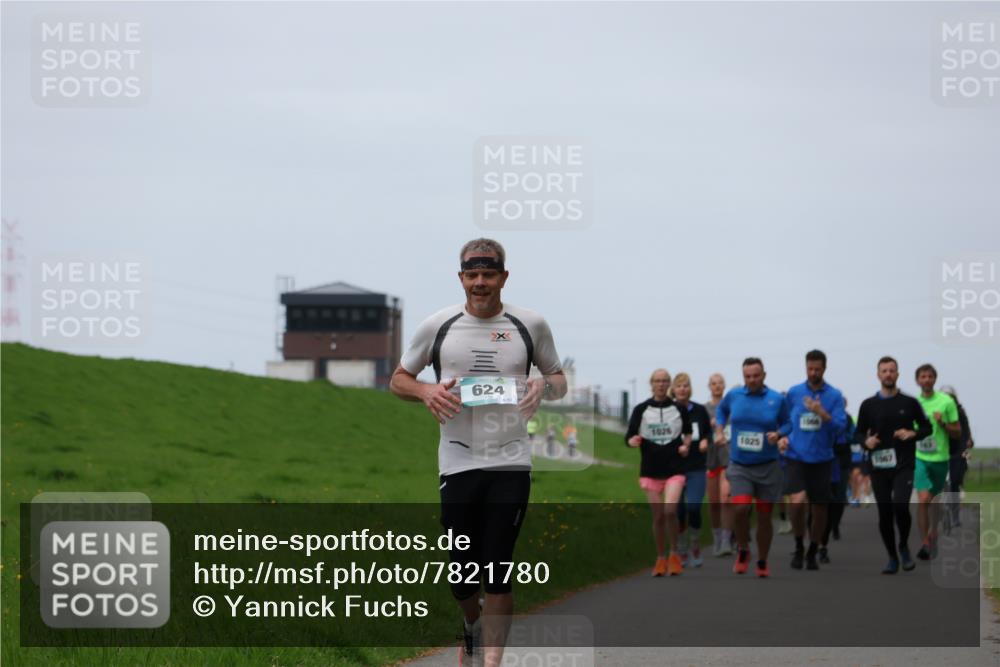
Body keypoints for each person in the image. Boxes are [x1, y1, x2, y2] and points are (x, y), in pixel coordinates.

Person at [390, 238, 567, 666]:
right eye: (473, 275)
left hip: (511, 459)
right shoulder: (438, 325)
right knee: (461, 574)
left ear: (504, 277)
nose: (480, 282)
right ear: (461, 278)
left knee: (498, 566)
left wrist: (543, 385)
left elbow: (559, 381)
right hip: (458, 460)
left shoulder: (530, 324)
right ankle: (472, 624)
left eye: (489, 274)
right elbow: (398, 379)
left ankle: (491, 662)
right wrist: (426, 391)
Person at [714, 357, 791, 578]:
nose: (752, 380)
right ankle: (743, 549)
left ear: (764, 375)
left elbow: (788, 423)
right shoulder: (734, 395)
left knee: (764, 517)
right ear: (743, 376)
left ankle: (762, 560)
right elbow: (721, 411)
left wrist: (779, 434)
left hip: (767, 466)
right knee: (740, 508)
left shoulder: (776, 398)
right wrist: (719, 430)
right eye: (748, 376)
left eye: (756, 376)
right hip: (740, 465)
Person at [855, 356, 932, 574]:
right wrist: (866, 441)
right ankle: (892, 557)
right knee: (885, 513)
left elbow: (927, 428)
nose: (888, 374)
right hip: (879, 465)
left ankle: (903, 546)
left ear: (897, 374)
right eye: (884, 371)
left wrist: (912, 433)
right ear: (878, 375)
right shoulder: (868, 405)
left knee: (900, 506)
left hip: (903, 464)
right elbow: (857, 433)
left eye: (892, 370)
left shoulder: (909, 403)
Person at [784, 350, 847, 571]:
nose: (813, 373)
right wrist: (782, 438)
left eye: (817, 369)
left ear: (824, 369)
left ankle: (813, 548)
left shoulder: (834, 396)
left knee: (820, 508)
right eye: (810, 369)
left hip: (822, 458)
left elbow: (840, 428)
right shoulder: (794, 393)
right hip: (796, 456)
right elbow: (784, 421)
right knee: (797, 501)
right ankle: (798, 545)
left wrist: (822, 413)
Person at [626, 368, 693, 577]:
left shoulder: (679, 409)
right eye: (657, 381)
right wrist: (633, 440)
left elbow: (688, 432)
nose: (661, 384)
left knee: (670, 511)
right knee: (658, 517)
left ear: (669, 384)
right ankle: (661, 557)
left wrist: (686, 445)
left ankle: (674, 554)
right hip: (650, 470)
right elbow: (629, 436)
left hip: (674, 469)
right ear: (651, 384)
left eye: (665, 381)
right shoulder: (641, 409)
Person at [914, 364, 961, 560]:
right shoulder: (913, 403)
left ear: (935, 379)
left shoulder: (946, 402)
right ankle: (925, 542)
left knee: (935, 501)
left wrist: (942, 423)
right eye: (923, 376)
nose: (926, 380)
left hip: (940, 458)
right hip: (919, 457)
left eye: (930, 376)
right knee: (923, 498)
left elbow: (957, 432)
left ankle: (933, 534)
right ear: (917, 380)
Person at [671, 373, 711, 568]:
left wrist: (705, 441)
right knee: (678, 511)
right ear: (673, 389)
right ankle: (682, 547)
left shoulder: (700, 410)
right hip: (674, 468)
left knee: (693, 507)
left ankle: (695, 544)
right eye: (679, 386)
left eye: (686, 385)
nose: (682, 389)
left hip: (696, 466)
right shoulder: (668, 411)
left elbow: (708, 433)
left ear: (690, 388)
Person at [820, 397, 855, 563]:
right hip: (822, 460)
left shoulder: (847, 418)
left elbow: (853, 435)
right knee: (822, 500)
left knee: (839, 498)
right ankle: (819, 539)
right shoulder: (822, 416)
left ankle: (835, 524)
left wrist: (842, 437)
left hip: (841, 461)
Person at [704, 373, 734, 556]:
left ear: (724, 386)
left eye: (720, 383)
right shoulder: (704, 409)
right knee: (714, 503)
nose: (717, 386)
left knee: (726, 499)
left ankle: (726, 541)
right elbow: (698, 432)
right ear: (709, 386)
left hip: (728, 459)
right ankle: (716, 537)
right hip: (711, 459)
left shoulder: (732, 407)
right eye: (713, 383)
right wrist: (710, 425)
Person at [940, 385, 974, 527]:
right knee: (939, 483)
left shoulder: (960, 412)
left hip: (958, 451)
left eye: (950, 397)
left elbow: (966, 431)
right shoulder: (937, 412)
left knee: (955, 481)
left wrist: (969, 441)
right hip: (941, 451)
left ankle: (955, 515)